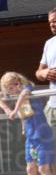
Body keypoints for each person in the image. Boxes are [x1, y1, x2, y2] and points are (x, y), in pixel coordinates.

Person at [0, 72, 55, 175]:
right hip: (31, 136)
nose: (14, 87)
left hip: (42, 134)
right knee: (30, 168)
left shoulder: (28, 88)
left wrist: (14, 110)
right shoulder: (13, 94)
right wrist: (7, 108)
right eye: (10, 86)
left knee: (44, 168)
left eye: (16, 83)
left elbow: (24, 93)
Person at [36, 8, 56, 136]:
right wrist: (43, 73)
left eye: (55, 21)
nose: (52, 25)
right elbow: (38, 72)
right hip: (53, 106)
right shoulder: (49, 44)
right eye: (50, 22)